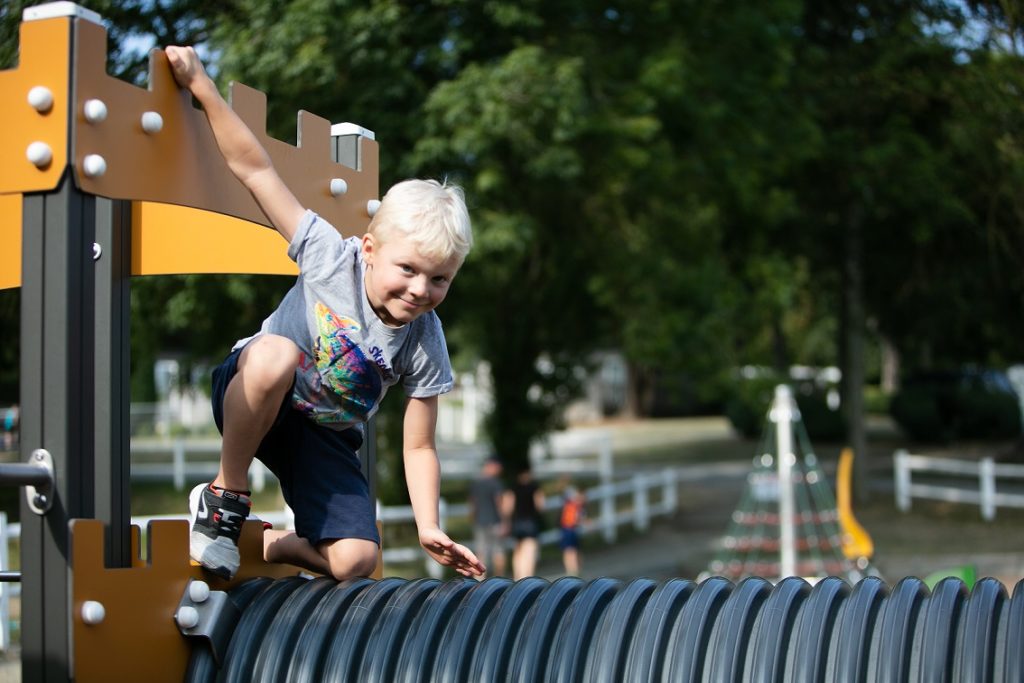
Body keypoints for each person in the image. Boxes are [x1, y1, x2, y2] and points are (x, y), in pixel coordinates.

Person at [164, 46, 484, 582]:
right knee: (275, 355)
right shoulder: (330, 258)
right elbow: (255, 168)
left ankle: (268, 546)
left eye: (440, 278)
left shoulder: (425, 338)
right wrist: (202, 86)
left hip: (323, 439)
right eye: (407, 268)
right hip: (254, 394)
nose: (420, 289)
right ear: (369, 249)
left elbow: (420, 442)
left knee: (358, 561)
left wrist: (428, 524)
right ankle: (226, 493)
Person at [468, 457, 507, 578]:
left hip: (480, 521)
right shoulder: (495, 483)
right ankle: (499, 580)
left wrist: (473, 517)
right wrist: (504, 521)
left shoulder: (476, 483)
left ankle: (479, 579)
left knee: (480, 552)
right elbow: (499, 502)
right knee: (498, 551)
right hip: (495, 521)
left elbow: (472, 503)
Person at [503, 466, 545, 580]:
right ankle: (527, 576)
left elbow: (508, 506)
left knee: (518, 550)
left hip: (517, 521)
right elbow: (540, 505)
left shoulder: (513, 487)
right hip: (530, 520)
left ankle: (518, 576)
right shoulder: (535, 487)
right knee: (530, 550)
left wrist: (506, 520)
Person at [559, 484, 586, 576]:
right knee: (572, 551)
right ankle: (574, 571)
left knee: (570, 551)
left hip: (568, 529)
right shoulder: (575, 505)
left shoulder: (570, 504)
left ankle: (572, 571)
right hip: (570, 529)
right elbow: (577, 519)